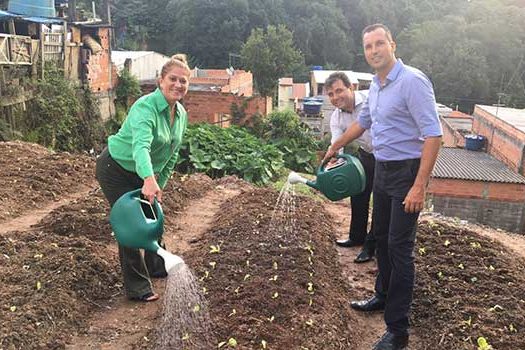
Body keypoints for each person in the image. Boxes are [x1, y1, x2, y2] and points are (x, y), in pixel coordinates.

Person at [323, 24, 442, 350]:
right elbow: (365, 123)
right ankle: (382, 295)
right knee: (384, 242)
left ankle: (398, 330)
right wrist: (337, 145)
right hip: (384, 172)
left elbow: (434, 135)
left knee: (400, 248)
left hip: (406, 173)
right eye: (368, 46)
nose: (374, 50)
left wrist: (419, 186)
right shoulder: (376, 85)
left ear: (392, 44)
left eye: (379, 44)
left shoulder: (412, 81)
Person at [96, 54, 190, 302]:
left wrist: (159, 185)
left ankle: (158, 267)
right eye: (173, 79)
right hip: (116, 169)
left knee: (152, 215)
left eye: (183, 81)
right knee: (131, 225)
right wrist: (148, 178)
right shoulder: (145, 108)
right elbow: (141, 148)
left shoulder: (180, 114)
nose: (178, 85)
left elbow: (171, 153)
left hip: (143, 173)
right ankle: (137, 288)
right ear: (161, 80)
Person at [325, 72, 376, 263]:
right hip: (366, 155)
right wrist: (333, 158)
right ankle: (356, 237)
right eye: (331, 94)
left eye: (339, 91)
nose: (336, 97)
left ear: (350, 88)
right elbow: (337, 143)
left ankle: (371, 247)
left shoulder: (370, 100)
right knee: (358, 193)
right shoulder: (336, 117)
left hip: (387, 156)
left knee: (380, 201)